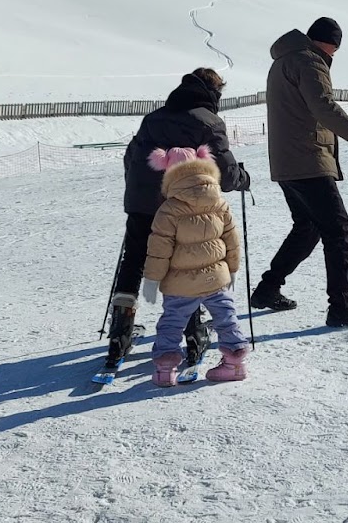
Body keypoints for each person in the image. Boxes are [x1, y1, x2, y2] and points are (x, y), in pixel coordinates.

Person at [102, 68, 249, 375]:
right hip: (184, 208)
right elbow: (228, 174)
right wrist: (243, 178)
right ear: (213, 93)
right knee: (189, 262)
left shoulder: (153, 118)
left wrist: (138, 191)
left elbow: (131, 157)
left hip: (142, 203)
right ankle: (194, 333)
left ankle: (120, 331)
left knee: (134, 261)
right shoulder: (209, 121)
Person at [254, 17, 348, 327]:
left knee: (308, 227)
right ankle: (341, 307)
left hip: (288, 161)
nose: (335, 54)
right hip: (307, 161)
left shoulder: (284, 61)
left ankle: (267, 289)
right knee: (338, 232)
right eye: (335, 47)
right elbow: (323, 107)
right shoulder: (310, 61)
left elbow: (305, 112)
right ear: (328, 43)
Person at [142, 145, 248, 386]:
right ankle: (236, 363)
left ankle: (164, 370)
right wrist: (232, 269)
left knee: (171, 323)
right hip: (216, 278)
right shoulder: (219, 201)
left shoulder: (168, 209)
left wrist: (152, 280)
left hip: (181, 284)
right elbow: (231, 239)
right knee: (226, 317)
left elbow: (159, 250)